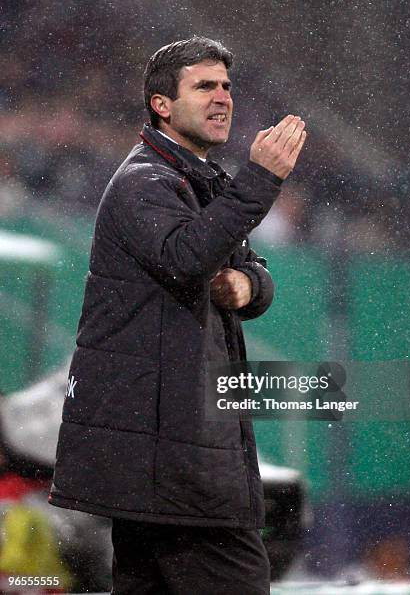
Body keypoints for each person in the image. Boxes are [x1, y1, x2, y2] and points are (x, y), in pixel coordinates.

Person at [49, 36, 307, 594]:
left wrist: (248, 285)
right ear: (161, 105)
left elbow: (246, 268)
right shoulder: (145, 182)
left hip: (165, 447)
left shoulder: (196, 180)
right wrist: (261, 179)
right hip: (170, 455)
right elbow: (188, 257)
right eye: (204, 86)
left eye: (227, 87)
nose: (223, 98)